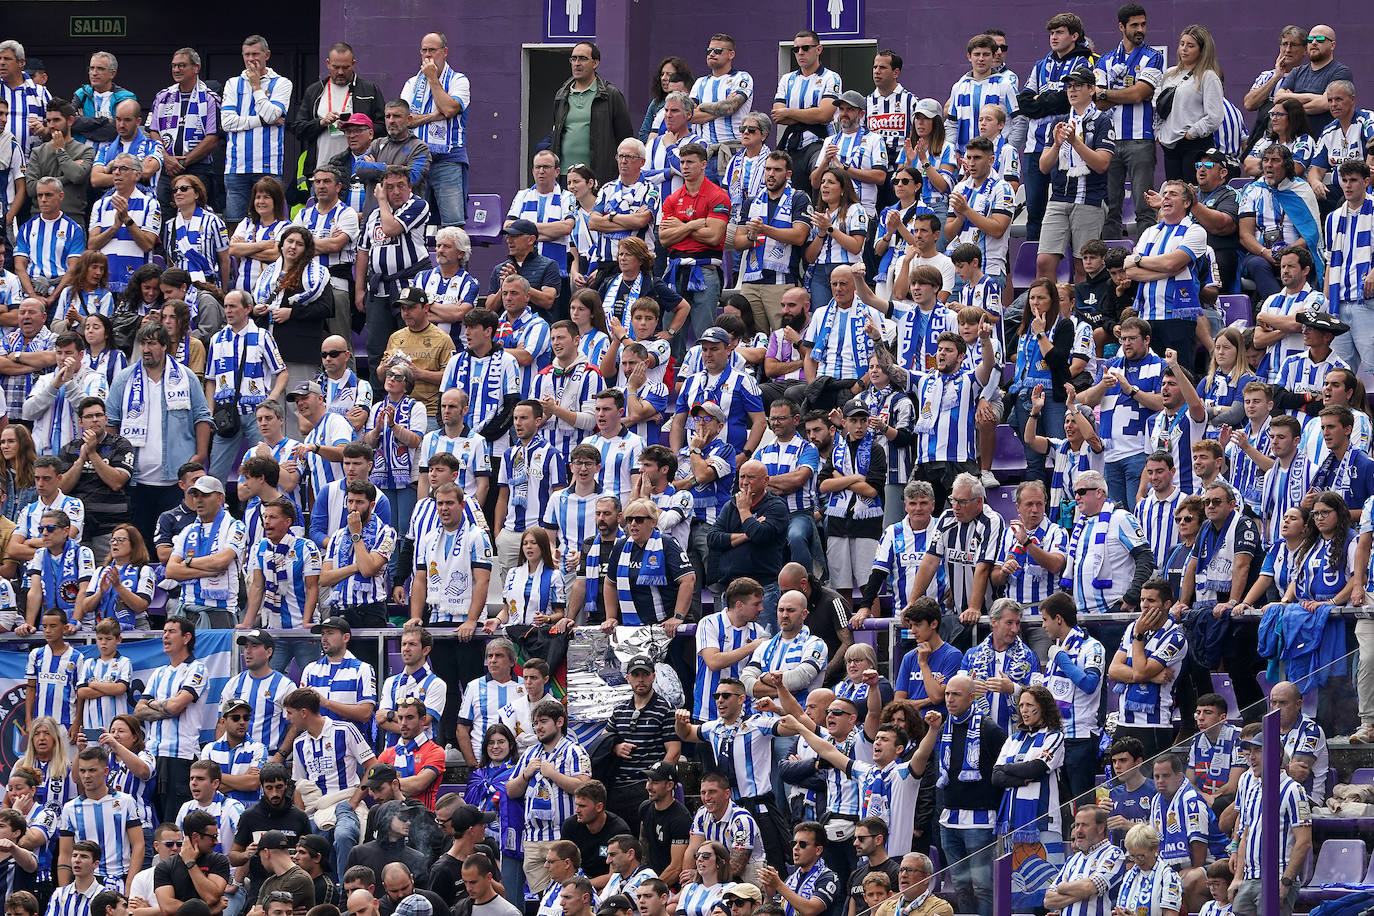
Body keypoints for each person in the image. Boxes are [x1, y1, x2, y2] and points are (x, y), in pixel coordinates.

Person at [1036, 67, 1115, 282]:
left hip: (1089, 199)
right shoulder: (1058, 122)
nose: (1072, 91)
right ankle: (1047, 313)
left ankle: (1082, 314)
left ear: (1091, 89)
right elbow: (1044, 167)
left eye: (1078, 86)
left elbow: (1101, 164)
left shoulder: (1103, 121)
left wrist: (1075, 143)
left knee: (1084, 266)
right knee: (1044, 261)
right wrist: (1056, 145)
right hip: (1059, 198)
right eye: (1069, 86)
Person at [506, 699, 592, 895]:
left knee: (568, 894)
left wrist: (553, 774)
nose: (538, 727)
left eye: (543, 721)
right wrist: (525, 774)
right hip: (533, 838)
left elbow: (584, 788)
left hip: (562, 837)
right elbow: (511, 790)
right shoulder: (529, 753)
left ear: (559, 722)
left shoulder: (574, 751)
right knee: (542, 898)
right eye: (535, 723)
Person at [355, 167, 431, 371]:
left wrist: (381, 200)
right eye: (389, 187)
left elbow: (390, 228)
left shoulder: (418, 205)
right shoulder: (373, 216)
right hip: (379, 289)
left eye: (401, 186)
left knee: (409, 346)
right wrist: (359, 290)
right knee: (377, 350)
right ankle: (379, 399)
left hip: (409, 286)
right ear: (382, 188)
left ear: (410, 187)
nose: (396, 192)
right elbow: (363, 251)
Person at [1228, 730, 1311, 916]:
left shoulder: (1294, 790)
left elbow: (1304, 842)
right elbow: (1245, 836)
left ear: (1276, 754)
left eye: (1257, 751)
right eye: (1249, 751)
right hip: (1250, 878)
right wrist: (1238, 878)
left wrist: (1285, 882)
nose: (1251, 757)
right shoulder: (1253, 789)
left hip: (1277, 877)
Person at [1108, 580, 1188, 760]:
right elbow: (1113, 671)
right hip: (1124, 722)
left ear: (1167, 604)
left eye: (1151, 601)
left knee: (1152, 785)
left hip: (1154, 726)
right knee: (1121, 786)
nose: (1144, 605)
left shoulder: (1175, 638)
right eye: (1142, 600)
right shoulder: (1133, 627)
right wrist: (1152, 677)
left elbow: (1141, 672)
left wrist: (1138, 636)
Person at [219, 36, 292, 225]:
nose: (251, 59)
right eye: (247, 54)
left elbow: (271, 115)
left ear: (267, 55)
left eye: (255, 54)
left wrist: (256, 87)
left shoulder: (282, 83)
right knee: (235, 223)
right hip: (236, 165)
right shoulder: (232, 83)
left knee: (271, 221)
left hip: (267, 165)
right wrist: (260, 120)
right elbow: (227, 123)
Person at [604, 656, 681, 832]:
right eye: (636, 674)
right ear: (628, 678)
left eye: (645, 674)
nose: (641, 679)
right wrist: (615, 748)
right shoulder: (620, 709)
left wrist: (656, 782)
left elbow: (674, 752)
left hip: (645, 788)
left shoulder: (666, 709)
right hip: (617, 788)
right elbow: (603, 742)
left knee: (644, 843)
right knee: (614, 842)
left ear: (653, 677)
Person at [1062, 470, 1154, 615]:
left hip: (1112, 611)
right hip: (1082, 615)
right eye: (1075, 493)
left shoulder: (1121, 518)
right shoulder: (1081, 525)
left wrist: (1133, 595)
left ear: (1099, 492)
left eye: (1081, 491)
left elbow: (1145, 557)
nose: (1077, 497)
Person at [164, 476, 246, 629]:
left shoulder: (235, 526)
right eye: (195, 495)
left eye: (205, 495)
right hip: (187, 609)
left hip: (220, 611)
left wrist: (188, 562)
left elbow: (221, 562)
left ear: (219, 498)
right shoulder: (187, 530)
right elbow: (170, 571)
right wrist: (209, 571)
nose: (199, 500)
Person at [1154, 26, 1226, 181]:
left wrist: (1191, 133)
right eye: (1182, 44)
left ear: (1202, 50)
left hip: (1195, 146)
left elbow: (1215, 116)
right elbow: (1159, 108)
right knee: (1174, 194)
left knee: (1192, 194)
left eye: (1190, 45)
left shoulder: (1208, 76)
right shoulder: (1169, 74)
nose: (1184, 49)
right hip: (1170, 147)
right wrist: (1159, 133)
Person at [89, 152, 162, 295]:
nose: (116, 172)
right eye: (114, 168)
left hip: (136, 284)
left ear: (137, 175)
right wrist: (114, 227)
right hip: (105, 284)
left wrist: (127, 220)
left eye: (123, 168)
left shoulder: (150, 204)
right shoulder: (100, 204)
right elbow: (92, 245)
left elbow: (147, 245)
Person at [1042, 805, 1127, 916]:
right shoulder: (1072, 860)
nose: (1079, 830)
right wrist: (1081, 892)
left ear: (1100, 828)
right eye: (1077, 825)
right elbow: (1048, 900)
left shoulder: (1113, 853)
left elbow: (1089, 887)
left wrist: (1062, 887)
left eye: (1084, 825)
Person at [1275, 25, 1352, 137]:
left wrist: (1292, 104)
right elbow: (1278, 99)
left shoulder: (1340, 72)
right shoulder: (1297, 72)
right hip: (1298, 142)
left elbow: (1325, 103)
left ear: (1332, 45)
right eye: (1310, 40)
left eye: (1320, 39)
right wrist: (1315, 97)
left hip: (1325, 141)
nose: (1314, 42)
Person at [24, 99, 94, 218]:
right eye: (48, 121)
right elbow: (31, 189)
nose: (51, 125)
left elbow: (77, 176)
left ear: (70, 120)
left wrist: (60, 151)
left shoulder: (85, 151)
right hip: (40, 217)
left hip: (72, 217)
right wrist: (67, 177)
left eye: (56, 120)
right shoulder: (37, 152)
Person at [1114, 825, 1183, 916]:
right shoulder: (1129, 875)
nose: (1137, 861)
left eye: (1141, 856)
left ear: (1155, 848)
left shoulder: (1169, 876)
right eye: (1132, 856)